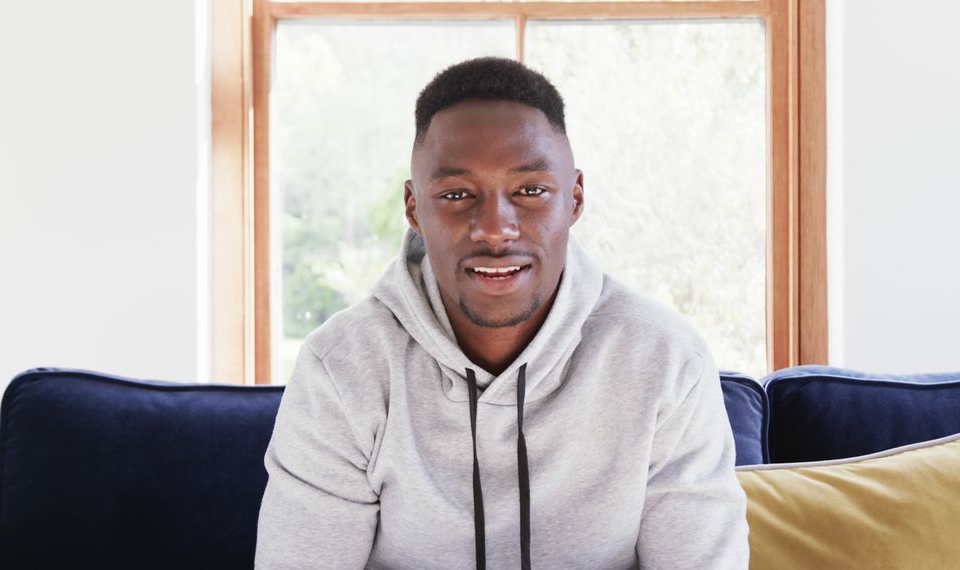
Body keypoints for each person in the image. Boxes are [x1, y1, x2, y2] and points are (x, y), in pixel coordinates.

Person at [255, 56, 749, 569]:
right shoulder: (343, 368)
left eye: (530, 191)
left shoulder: (664, 360)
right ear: (413, 208)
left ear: (574, 199)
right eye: (457, 194)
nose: (494, 229)